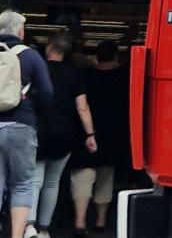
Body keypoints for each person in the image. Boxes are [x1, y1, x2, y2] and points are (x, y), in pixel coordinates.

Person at [25, 32, 97, 238]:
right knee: (52, 182)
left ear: (49, 46)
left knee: (34, 180)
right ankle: (45, 228)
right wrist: (90, 134)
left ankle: (30, 226)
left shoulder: (37, 70)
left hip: (39, 131)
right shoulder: (75, 74)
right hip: (65, 134)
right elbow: (82, 108)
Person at [0, 11, 53, 238]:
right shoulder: (31, 56)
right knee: (22, 184)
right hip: (21, 125)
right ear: (20, 31)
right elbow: (48, 93)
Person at [70, 41, 127, 236]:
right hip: (113, 134)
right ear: (115, 57)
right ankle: (101, 220)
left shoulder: (85, 77)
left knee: (83, 175)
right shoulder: (123, 78)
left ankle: (80, 221)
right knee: (106, 176)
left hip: (86, 132)